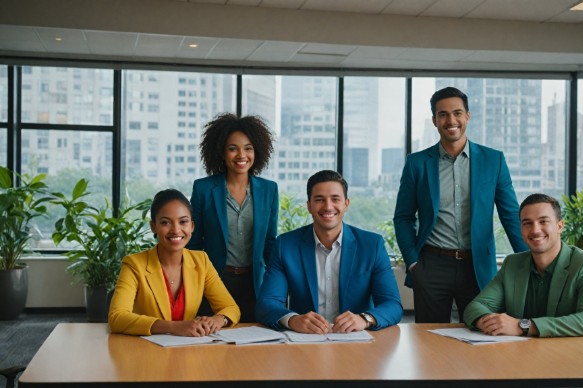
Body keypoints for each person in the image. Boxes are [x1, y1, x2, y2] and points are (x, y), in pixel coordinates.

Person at [393, 86, 527, 323]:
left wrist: (529, 260)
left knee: (483, 337)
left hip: (478, 266)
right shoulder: (417, 163)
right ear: (434, 120)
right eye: (443, 114)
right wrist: (414, 262)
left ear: (468, 116)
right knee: (430, 343)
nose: (451, 120)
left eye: (457, 113)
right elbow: (403, 217)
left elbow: (510, 215)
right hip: (431, 265)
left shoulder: (493, 160)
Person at [256, 170, 403, 333]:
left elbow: (392, 305)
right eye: (319, 200)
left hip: (356, 342)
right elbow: (267, 303)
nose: (328, 206)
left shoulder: (372, 245)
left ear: (346, 204)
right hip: (305, 341)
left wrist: (364, 319)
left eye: (335, 199)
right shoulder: (286, 245)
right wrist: (293, 320)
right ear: (309, 206)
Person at [463, 193, 583, 337]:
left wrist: (522, 326)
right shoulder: (512, 264)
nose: (535, 230)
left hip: (575, 354)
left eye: (543, 221)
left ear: (560, 226)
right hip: (524, 354)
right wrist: (491, 323)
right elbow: (475, 308)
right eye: (527, 223)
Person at [109, 189, 240, 336]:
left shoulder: (201, 261)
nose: (176, 230)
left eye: (183, 222)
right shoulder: (134, 264)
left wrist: (217, 320)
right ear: (153, 227)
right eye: (165, 222)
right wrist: (173, 327)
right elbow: (117, 317)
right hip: (145, 351)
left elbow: (231, 308)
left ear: (192, 226)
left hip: (185, 350)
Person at [188, 113, 278, 322]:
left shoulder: (269, 190)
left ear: (257, 151)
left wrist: (276, 287)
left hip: (254, 284)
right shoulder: (203, 189)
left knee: (253, 346)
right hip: (214, 282)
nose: (241, 155)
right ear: (221, 151)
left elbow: (269, 243)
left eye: (248, 148)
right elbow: (193, 243)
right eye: (233, 148)